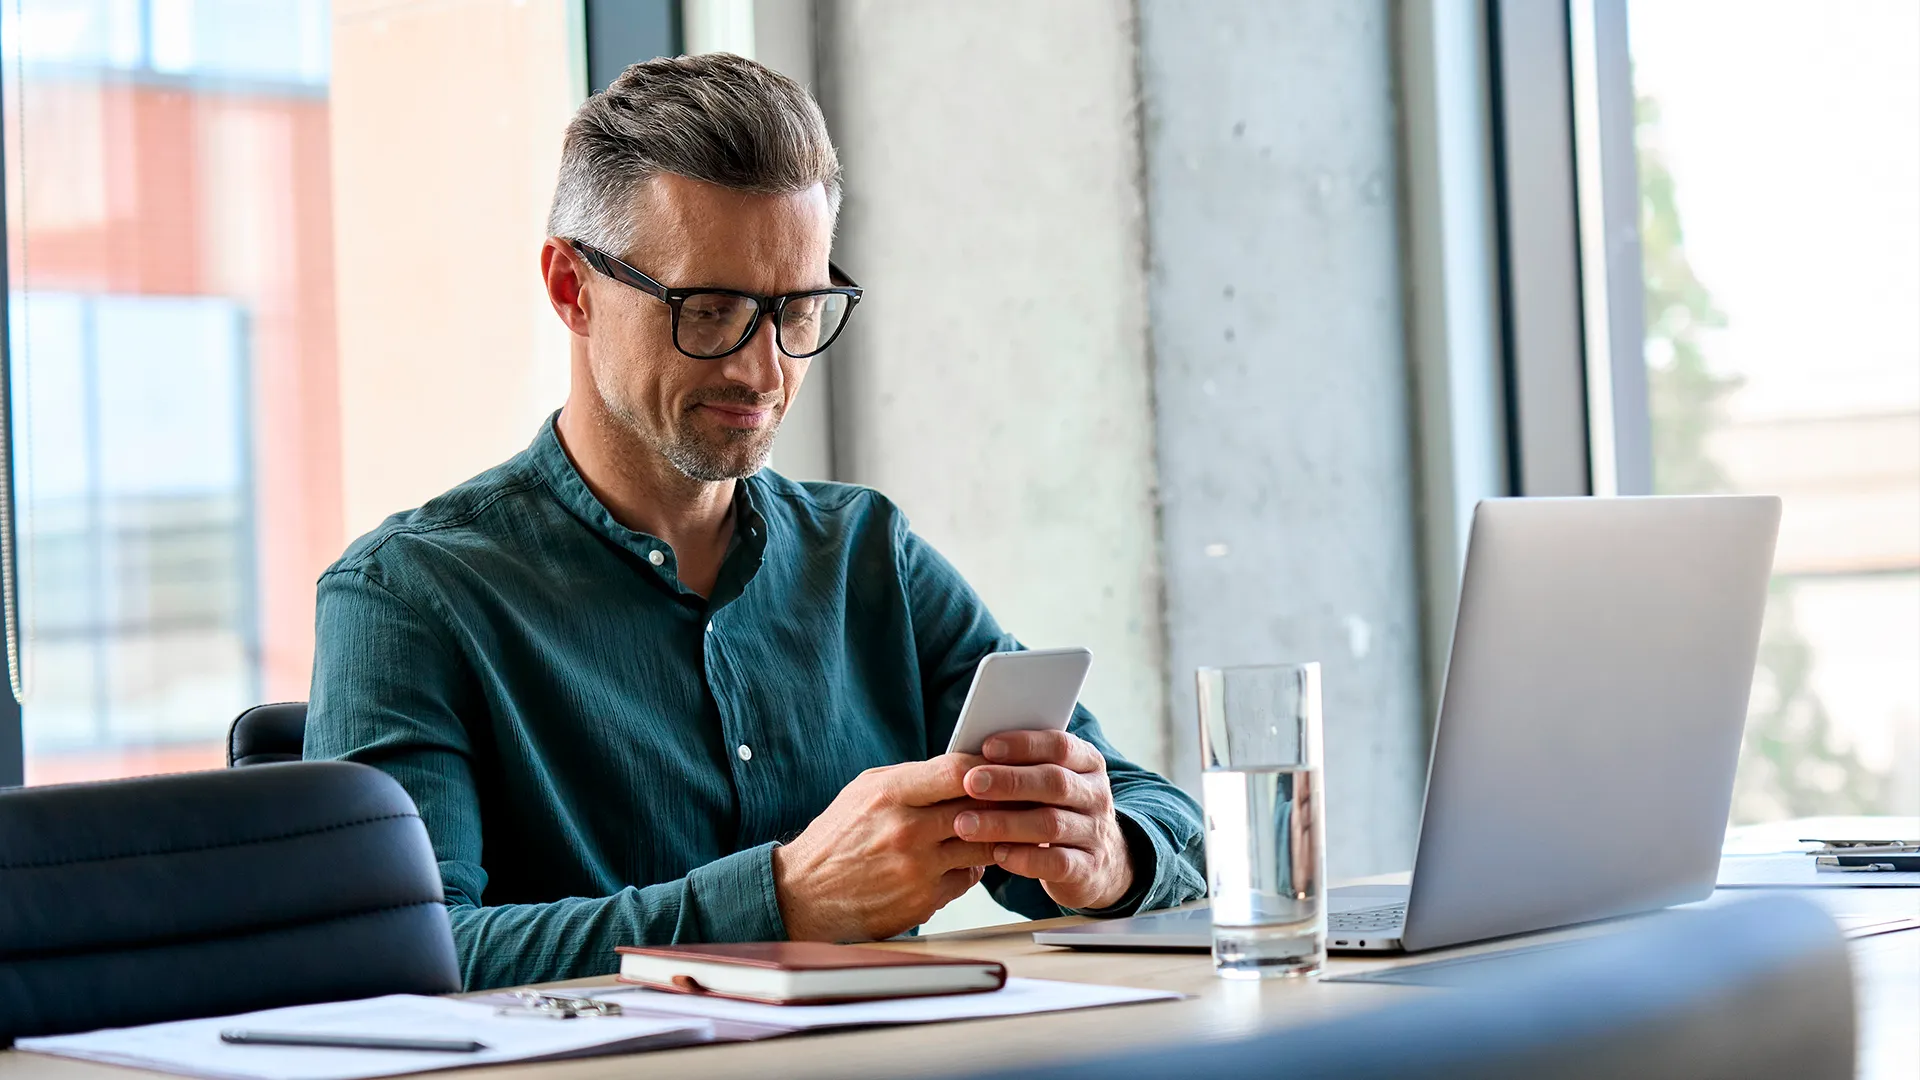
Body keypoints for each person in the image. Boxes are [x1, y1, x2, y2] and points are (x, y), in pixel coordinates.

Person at [305, 53, 1206, 991]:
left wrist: (1102, 859)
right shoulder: (410, 596)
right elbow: (398, 957)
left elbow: (1152, 810)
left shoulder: (867, 557)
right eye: (711, 310)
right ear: (572, 288)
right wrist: (782, 902)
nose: (763, 370)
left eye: (797, 310)